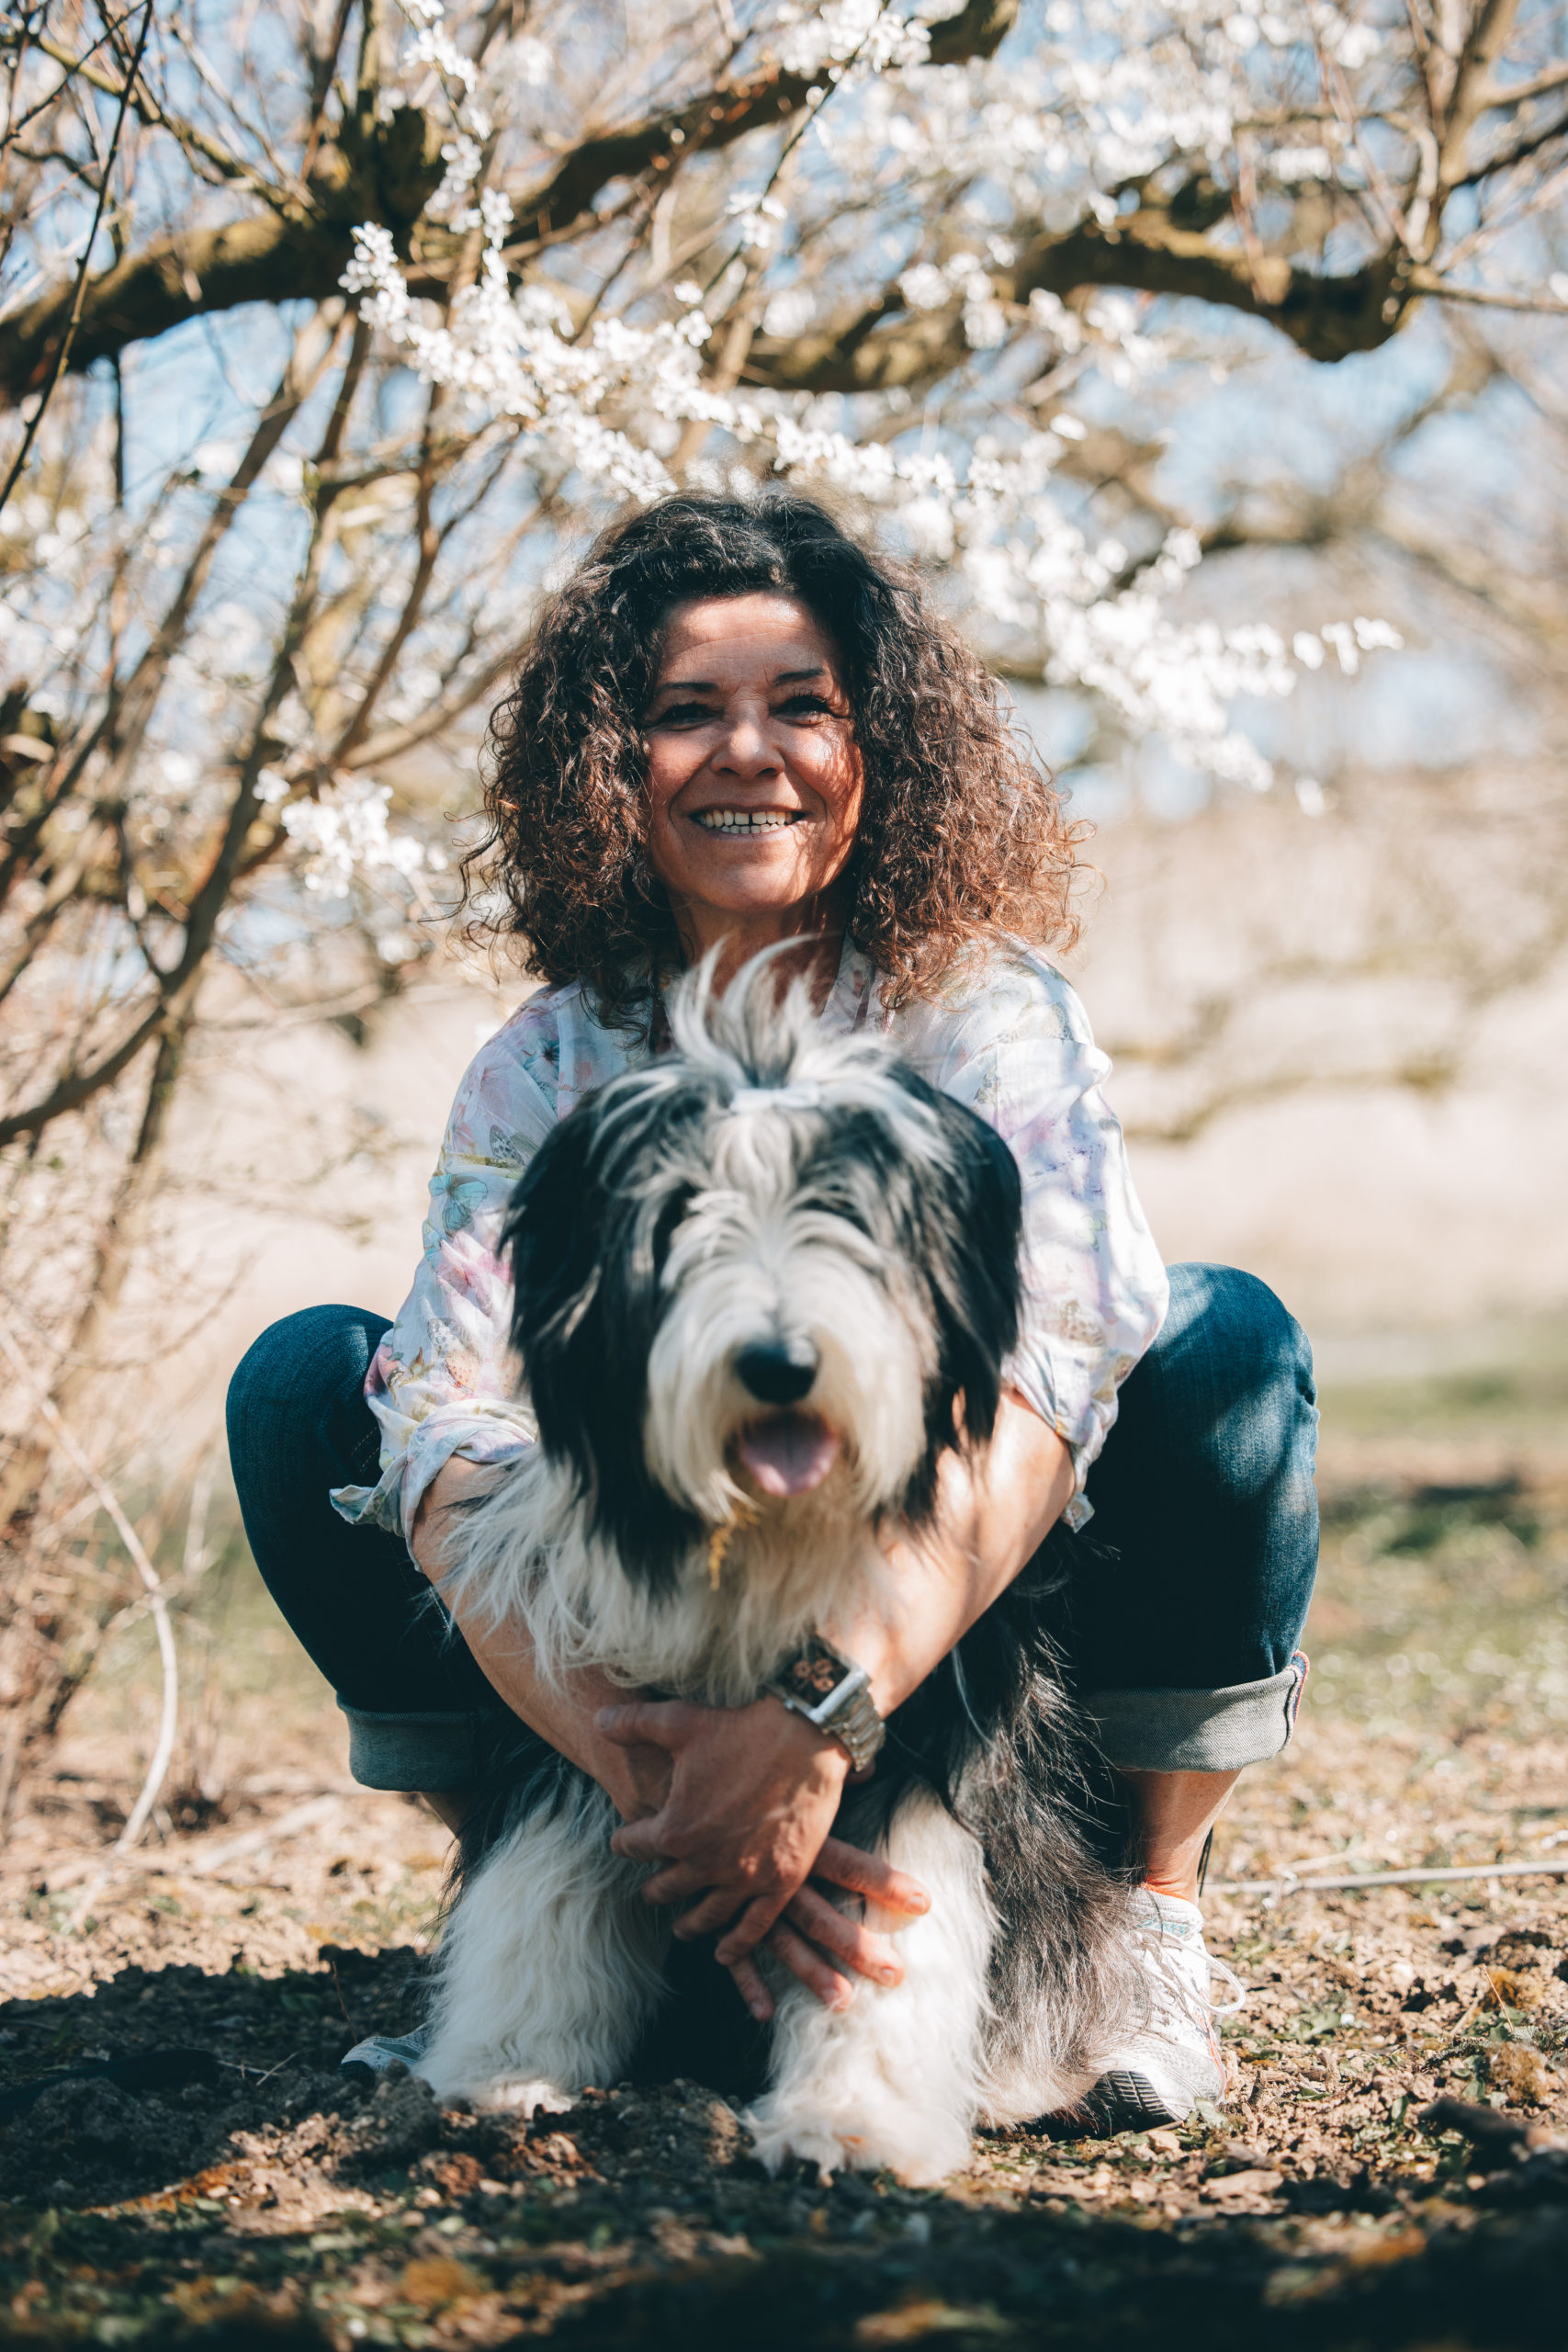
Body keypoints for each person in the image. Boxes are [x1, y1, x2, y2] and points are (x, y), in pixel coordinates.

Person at [227, 493, 1316, 2131]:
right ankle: (571, 1889)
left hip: (940, 1615)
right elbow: (445, 1425)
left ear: (879, 751)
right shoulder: (547, 1064)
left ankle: (1145, 1920)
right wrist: (659, 1777)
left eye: (803, 705)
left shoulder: (983, 1017)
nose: (751, 753)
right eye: (687, 713)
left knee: (1221, 1349)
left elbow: (1058, 1367)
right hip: (631, 1623)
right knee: (316, 1387)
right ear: (617, 766)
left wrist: (819, 1723)